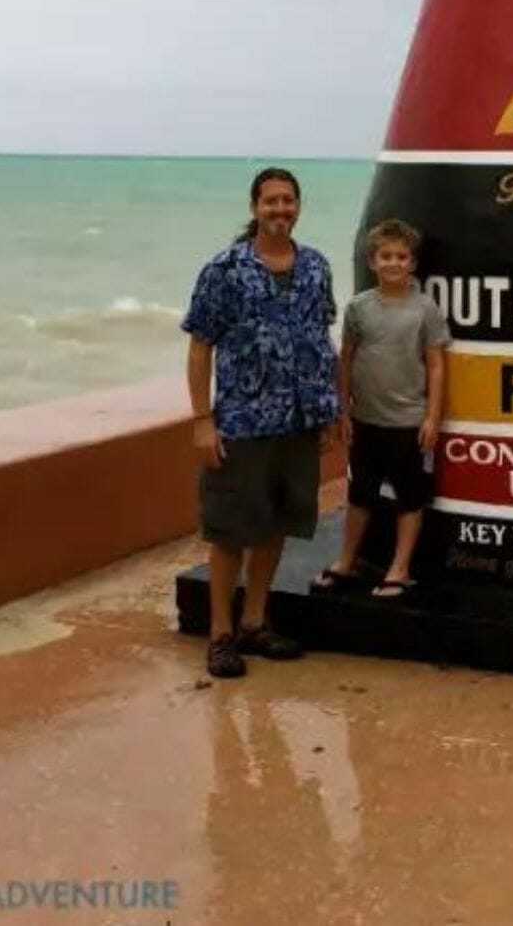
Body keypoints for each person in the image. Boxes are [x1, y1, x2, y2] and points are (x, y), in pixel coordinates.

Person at [183, 167, 340, 679]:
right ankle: (221, 634)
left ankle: (255, 621)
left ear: (299, 207)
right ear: (254, 208)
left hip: (297, 421)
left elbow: (321, 341)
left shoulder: (316, 267)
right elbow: (200, 345)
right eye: (270, 201)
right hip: (242, 423)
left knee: (277, 524)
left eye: (288, 201)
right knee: (230, 531)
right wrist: (203, 419)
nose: (280, 210)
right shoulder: (224, 270)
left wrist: (328, 410)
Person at [315, 218, 449, 599]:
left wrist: (433, 416)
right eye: (385, 256)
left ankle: (400, 568)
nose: (393, 263)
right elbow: (347, 359)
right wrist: (343, 411)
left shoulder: (425, 310)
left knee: (410, 498)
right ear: (372, 262)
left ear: (412, 263)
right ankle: (346, 561)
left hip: (409, 423)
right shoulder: (358, 307)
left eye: (401, 256)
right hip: (365, 421)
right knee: (360, 495)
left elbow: (437, 364)